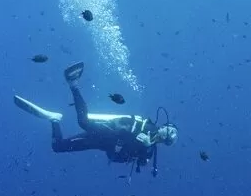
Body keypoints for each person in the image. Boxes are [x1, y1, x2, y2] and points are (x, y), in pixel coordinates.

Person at [14, 62, 178, 177]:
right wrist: (142, 142)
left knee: (58, 147)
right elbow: (131, 130)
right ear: (165, 125)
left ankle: (54, 119)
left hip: (104, 144)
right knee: (83, 122)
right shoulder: (149, 126)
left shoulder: (150, 151)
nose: (169, 135)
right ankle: (74, 83)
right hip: (110, 131)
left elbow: (136, 160)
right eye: (170, 130)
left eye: (171, 137)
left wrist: (145, 146)